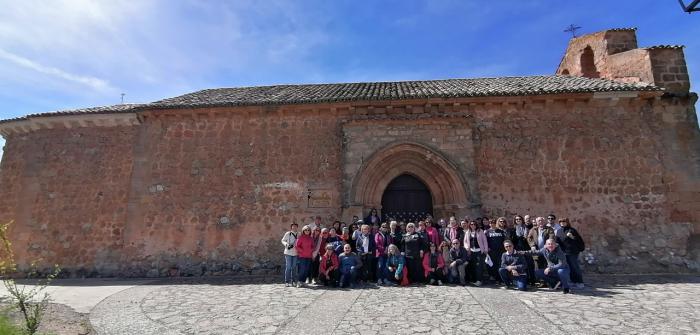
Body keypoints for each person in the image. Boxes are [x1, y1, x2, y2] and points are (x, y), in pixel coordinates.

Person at [557, 218, 585, 289]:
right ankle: (573, 281)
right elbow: (558, 241)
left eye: (564, 221)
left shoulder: (571, 230)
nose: (562, 223)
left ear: (567, 222)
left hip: (572, 252)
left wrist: (572, 237)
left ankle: (580, 282)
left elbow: (578, 240)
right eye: (560, 221)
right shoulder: (559, 231)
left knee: (574, 267)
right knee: (569, 267)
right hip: (564, 252)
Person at [464, 219, 488, 286]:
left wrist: (485, 249)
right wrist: (467, 248)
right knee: (473, 266)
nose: (473, 225)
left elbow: (484, 241)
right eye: (471, 224)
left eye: (474, 224)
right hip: (471, 251)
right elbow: (465, 241)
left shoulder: (480, 231)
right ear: (470, 225)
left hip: (479, 251)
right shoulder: (468, 232)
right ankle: (474, 280)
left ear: (476, 225)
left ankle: (479, 280)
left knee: (479, 266)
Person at [486, 217, 507, 283]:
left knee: (499, 264)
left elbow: (504, 240)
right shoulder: (487, 232)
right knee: (492, 264)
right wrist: (488, 248)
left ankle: (499, 278)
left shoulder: (501, 231)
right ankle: (493, 277)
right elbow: (486, 241)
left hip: (500, 251)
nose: (492, 224)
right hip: (491, 251)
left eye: (493, 223)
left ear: (496, 223)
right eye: (490, 223)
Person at [281, 223, 299, 287]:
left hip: (295, 253)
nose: (294, 227)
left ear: (297, 227)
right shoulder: (288, 233)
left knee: (294, 267)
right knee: (288, 267)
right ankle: (287, 281)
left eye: (295, 226)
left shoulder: (299, 234)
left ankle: (293, 281)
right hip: (288, 252)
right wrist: (286, 244)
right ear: (291, 227)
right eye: (293, 226)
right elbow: (282, 240)